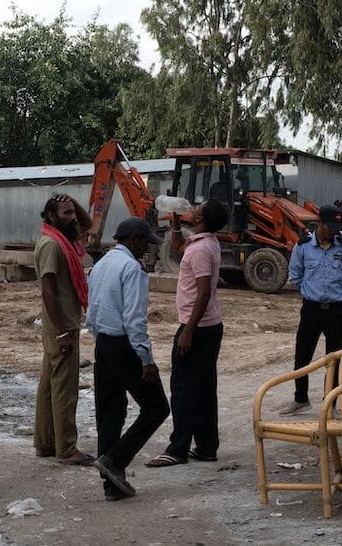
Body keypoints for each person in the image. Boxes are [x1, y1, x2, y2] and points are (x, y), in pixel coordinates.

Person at [87, 217, 170, 500]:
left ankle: (112, 485)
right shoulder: (131, 268)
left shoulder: (100, 265)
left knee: (110, 412)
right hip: (124, 345)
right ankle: (115, 460)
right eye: (145, 242)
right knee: (157, 408)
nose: (147, 248)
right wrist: (146, 359)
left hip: (103, 343)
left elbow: (93, 311)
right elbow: (135, 319)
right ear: (134, 239)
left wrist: (101, 340)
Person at [147, 199, 229, 467]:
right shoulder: (204, 242)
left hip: (198, 328)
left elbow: (203, 291)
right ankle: (206, 446)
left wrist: (188, 331)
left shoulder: (202, 249)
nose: (191, 209)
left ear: (199, 219)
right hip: (209, 326)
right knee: (204, 387)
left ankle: (178, 448)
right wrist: (174, 224)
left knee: (183, 388)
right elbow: (179, 249)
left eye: (197, 209)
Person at [278, 204, 342, 415]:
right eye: (330, 226)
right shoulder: (303, 246)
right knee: (302, 355)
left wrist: (339, 291)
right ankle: (301, 398)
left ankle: (330, 404)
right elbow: (295, 275)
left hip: (335, 311)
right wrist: (309, 290)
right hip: (311, 309)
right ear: (320, 223)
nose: (333, 231)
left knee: (334, 359)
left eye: (336, 227)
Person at [33, 193, 95, 466]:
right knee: (65, 390)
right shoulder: (52, 245)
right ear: (50, 217)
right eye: (66, 213)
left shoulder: (64, 240)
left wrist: (72, 201)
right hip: (61, 327)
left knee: (48, 387)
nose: (72, 218)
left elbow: (88, 223)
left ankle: (46, 443)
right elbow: (48, 291)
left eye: (72, 212)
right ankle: (67, 449)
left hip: (58, 325)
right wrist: (61, 332)